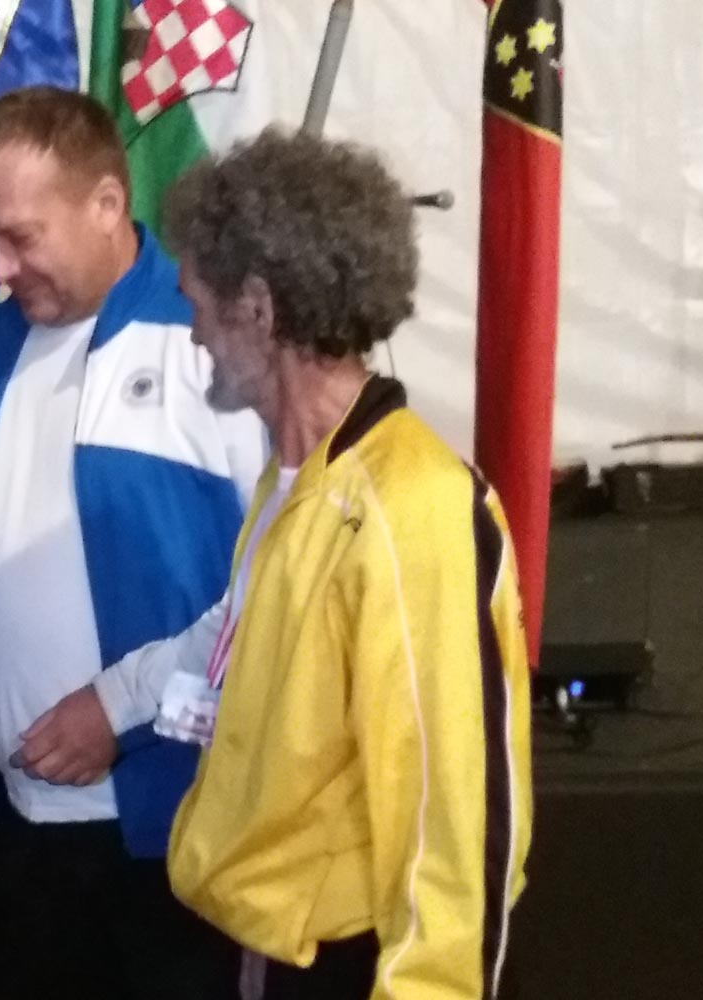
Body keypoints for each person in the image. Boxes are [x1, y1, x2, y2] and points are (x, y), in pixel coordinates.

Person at [0, 86, 265, 1000]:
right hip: (10, 828)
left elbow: (274, 594)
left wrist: (122, 717)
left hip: (175, 827)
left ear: (107, 203)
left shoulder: (211, 342)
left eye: (20, 237)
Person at [160, 129, 533, 999]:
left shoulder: (410, 505)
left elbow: (453, 804)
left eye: (199, 303)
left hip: (351, 967)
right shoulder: (297, 481)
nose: (193, 332)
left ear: (257, 306)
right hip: (266, 950)